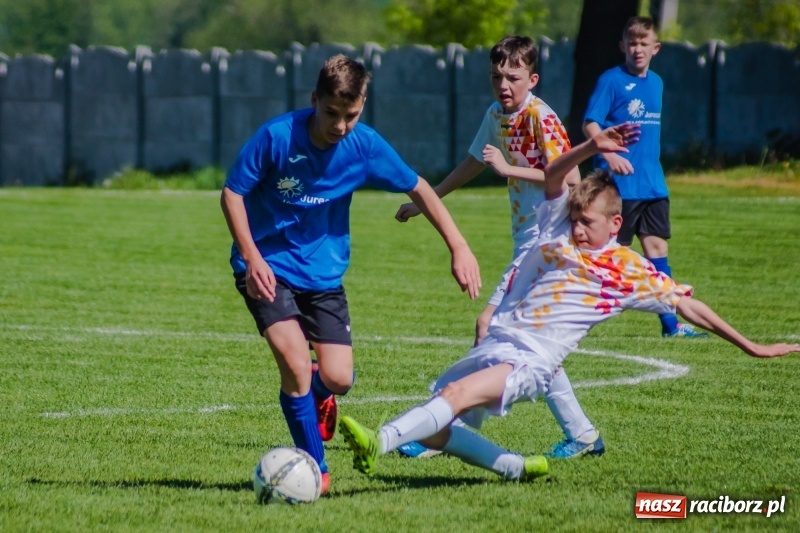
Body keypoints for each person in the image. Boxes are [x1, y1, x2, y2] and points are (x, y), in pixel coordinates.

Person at [338, 123, 799, 482]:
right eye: (575, 219)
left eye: (588, 223)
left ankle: (378, 442)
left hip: (533, 359)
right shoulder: (562, 229)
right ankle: (515, 468)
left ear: (615, 224)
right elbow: (555, 174)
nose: (577, 229)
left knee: (455, 398)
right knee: (440, 422)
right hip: (500, 340)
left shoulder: (629, 269)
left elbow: (687, 306)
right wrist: (593, 146)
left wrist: (753, 346)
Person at [220, 54, 481, 495]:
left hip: (323, 276)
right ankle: (315, 470)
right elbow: (232, 194)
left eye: (352, 115)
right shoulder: (277, 136)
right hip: (267, 268)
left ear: (362, 105)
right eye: (332, 113)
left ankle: (321, 393)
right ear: (314, 100)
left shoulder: (365, 146)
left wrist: (458, 246)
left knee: (338, 377)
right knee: (296, 364)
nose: (341, 126)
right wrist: (252, 256)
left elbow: (418, 187)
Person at [394, 35, 597, 460]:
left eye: (513, 77)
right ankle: (582, 435)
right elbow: (472, 162)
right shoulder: (495, 114)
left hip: (547, 245)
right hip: (529, 242)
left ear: (532, 78)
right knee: (530, 345)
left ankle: (447, 428)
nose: (503, 84)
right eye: (496, 76)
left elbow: (573, 179)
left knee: (488, 325)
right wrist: (423, 202)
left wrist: (509, 168)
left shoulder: (541, 117)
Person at [583, 16, 705, 339]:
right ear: (623, 46)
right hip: (619, 187)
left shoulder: (657, 83)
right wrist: (609, 156)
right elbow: (590, 124)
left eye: (644, 43)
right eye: (632, 43)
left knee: (657, 250)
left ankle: (671, 326)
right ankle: (578, 317)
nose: (638, 49)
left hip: (652, 184)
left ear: (656, 48)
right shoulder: (611, 81)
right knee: (610, 256)